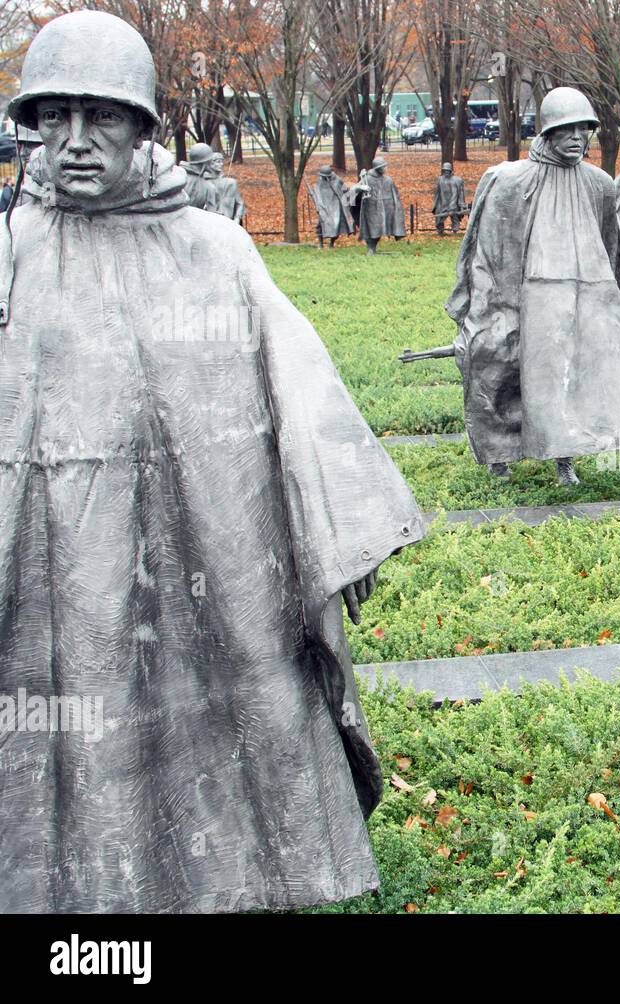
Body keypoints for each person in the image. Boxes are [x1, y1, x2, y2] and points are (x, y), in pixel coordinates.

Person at [0, 10, 424, 913]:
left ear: (144, 126)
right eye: (53, 118)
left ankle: (239, 877)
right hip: (54, 566)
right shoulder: (9, 257)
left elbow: (299, 387)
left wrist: (337, 529)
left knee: (226, 709)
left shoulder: (213, 251)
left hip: (212, 558)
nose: (75, 143)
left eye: (102, 117)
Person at [445, 86, 620, 486]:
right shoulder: (509, 180)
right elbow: (488, 251)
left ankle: (565, 460)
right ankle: (498, 456)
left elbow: (613, 253)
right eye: (566, 129)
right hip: (520, 295)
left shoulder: (598, 184)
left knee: (572, 380)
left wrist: (617, 310)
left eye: (583, 130)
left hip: (581, 296)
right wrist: (485, 308)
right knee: (499, 368)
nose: (576, 138)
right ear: (547, 132)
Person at [357, 155, 404, 254]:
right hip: (371, 207)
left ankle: (373, 248)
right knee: (373, 227)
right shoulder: (367, 179)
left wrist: (395, 207)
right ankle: (371, 247)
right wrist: (361, 188)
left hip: (386, 207)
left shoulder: (388, 180)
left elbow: (395, 195)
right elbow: (354, 189)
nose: (386, 168)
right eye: (384, 167)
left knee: (381, 227)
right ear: (378, 168)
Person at [310, 163, 354, 247]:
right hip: (324, 206)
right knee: (320, 225)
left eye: (324, 176)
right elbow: (318, 191)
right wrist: (314, 194)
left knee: (335, 225)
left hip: (335, 206)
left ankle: (331, 243)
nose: (323, 177)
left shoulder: (337, 180)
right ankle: (321, 244)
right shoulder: (320, 180)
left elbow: (345, 191)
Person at [205, 151, 245, 224]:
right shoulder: (204, 182)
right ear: (210, 164)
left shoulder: (231, 183)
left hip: (228, 222)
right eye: (218, 162)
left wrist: (237, 218)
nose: (221, 164)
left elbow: (240, 203)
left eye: (221, 162)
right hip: (210, 223)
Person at [179, 140, 217, 211]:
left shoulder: (177, 174)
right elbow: (212, 213)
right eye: (211, 161)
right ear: (206, 163)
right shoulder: (209, 187)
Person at [433, 161, 467, 235]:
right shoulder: (440, 179)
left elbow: (461, 193)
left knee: (455, 217)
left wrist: (461, 204)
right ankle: (440, 231)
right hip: (443, 203)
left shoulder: (457, 180)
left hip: (453, 203)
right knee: (439, 218)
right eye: (445, 170)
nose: (446, 172)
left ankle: (455, 230)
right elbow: (437, 192)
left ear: (451, 171)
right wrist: (435, 204)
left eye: (447, 170)